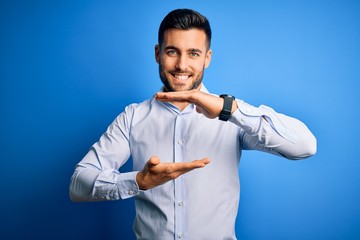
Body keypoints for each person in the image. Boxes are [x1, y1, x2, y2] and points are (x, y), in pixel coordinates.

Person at [69, 8, 317, 240]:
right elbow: (79, 184)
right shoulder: (133, 117)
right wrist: (139, 182)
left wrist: (228, 109)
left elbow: (304, 146)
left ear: (207, 58)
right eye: (172, 51)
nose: (182, 65)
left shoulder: (233, 116)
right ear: (158, 53)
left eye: (193, 53)